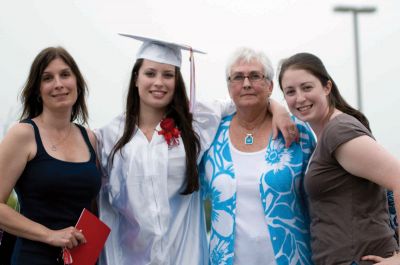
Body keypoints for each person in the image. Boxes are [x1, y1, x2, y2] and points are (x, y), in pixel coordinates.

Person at [95, 35, 298, 265]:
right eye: (150, 73)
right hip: (126, 257)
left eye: (168, 75)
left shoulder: (196, 124)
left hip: (185, 256)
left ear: (177, 80)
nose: (159, 82)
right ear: (136, 78)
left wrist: (278, 107)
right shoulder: (109, 137)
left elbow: (244, 99)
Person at [278, 52, 400, 265]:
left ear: (327, 87)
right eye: (290, 91)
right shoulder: (327, 134)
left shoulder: (339, 131)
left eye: (307, 87)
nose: (299, 98)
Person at [199, 47, 316, 265]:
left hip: (293, 259)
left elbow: (320, 199)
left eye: (255, 76)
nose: (246, 84)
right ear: (229, 87)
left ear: (270, 85)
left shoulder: (296, 132)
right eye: (238, 77)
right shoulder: (211, 136)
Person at [0, 46, 101, 265]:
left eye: (65, 74)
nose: (58, 84)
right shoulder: (23, 134)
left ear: (77, 83)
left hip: (81, 258)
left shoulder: (89, 138)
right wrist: (50, 235)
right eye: (47, 78)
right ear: (37, 89)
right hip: (33, 257)